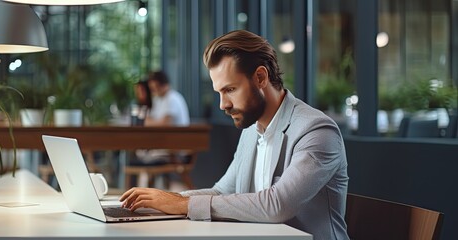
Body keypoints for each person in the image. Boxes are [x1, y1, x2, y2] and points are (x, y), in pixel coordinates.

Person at [120, 30, 349, 239]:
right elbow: (223, 191)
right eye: (219, 92)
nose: (223, 104)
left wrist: (182, 204)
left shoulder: (316, 130)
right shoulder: (252, 128)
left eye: (230, 90)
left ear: (261, 77)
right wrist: (160, 201)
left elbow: (277, 205)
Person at [131, 71, 190, 165]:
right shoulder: (159, 100)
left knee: (138, 156)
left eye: (155, 87)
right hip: (164, 146)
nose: (154, 91)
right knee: (136, 154)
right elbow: (152, 121)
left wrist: (145, 121)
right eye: (152, 89)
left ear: (164, 84)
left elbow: (164, 124)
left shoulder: (172, 98)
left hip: (175, 149)